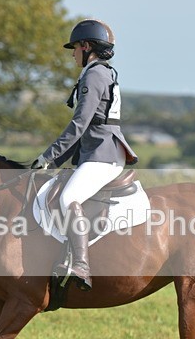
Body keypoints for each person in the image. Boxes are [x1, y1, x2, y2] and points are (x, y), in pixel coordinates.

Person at [31, 19, 138, 291]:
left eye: (75, 48)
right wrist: (58, 162)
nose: (72, 53)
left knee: (69, 198)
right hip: (99, 151)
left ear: (86, 46)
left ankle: (81, 265)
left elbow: (80, 124)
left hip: (103, 154)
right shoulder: (102, 72)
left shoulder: (94, 74)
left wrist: (48, 157)